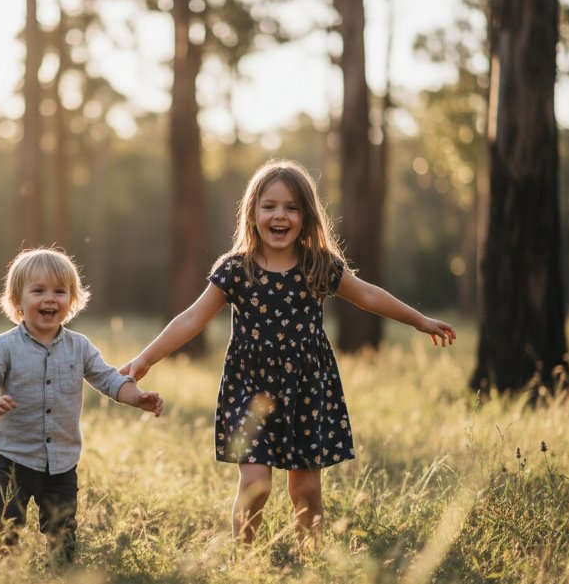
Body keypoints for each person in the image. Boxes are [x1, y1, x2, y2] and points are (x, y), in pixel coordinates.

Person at [120, 159, 455, 547]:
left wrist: (419, 320)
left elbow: (367, 295)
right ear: (253, 213)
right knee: (256, 482)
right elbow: (192, 319)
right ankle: (243, 561)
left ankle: (309, 558)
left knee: (306, 490)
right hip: (250, 387)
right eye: (270, 206)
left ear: (306, 216)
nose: (280, 215)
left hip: (306, 388)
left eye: (291, 207)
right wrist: (145, 359)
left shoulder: (318, 264)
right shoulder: (235, 269)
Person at [0, 248, 163, 563]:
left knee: (62, 532)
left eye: (60, 291)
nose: (50, 298)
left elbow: (109, 380)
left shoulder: (80, 347)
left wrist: (136, 397)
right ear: (18, 300)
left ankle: (60, 572)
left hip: (60, 463)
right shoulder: (4, 346)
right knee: (3, 526)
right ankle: (3, 569)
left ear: (72, 301)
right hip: (13, 459)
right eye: (39, 291)